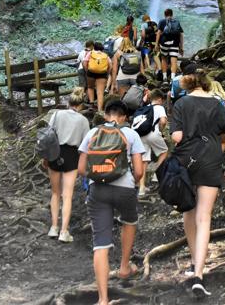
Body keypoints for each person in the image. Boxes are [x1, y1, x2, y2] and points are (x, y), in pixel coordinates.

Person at [171, 68, 225, 299]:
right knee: (205, 217)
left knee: (188, 213)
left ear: (188, 85)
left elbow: (176, 137)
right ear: (207, 84)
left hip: (186, 163)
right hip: (211, 162)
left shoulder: (181, 104)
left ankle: (193, 262)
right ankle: (199, 275)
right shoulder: (217, 105)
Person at [78, 99, 146, 305]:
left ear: (106, 114)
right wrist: (130, 182)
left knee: (100, 244)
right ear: (124, 117)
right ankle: (125, 267)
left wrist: (97, 176)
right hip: (124, 189)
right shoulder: (131, 134)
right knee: (129, 221)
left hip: (98, 189)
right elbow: (140, 171)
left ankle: (103, 299)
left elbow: (81, 169)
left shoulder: (92, 133)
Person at [46, 87, 90, 243]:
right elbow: (86, 144)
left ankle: (53, 227)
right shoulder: (83, 121)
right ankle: (64, 232)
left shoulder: (57, 114)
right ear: (81, 105)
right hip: (72, 156)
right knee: (68, 196)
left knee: (55, 193)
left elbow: (49, 134)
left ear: (68, 102)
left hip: (54, 153)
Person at [136, 88, 168, 197]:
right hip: (153, 133)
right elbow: (163, 121)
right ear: (159, 99)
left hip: (141, 135)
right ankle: (156, 175)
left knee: (144, 160)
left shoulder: (145, 108)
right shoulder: (159, 107)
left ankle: (141, 189)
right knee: (164, 151)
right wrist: (161, 130)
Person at [156, 8, 184, 83]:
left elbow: (158, 33)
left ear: (165, 14)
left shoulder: (162, 21)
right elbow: (181, 34)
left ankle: (164, 78)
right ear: (172, 14)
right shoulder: (176, 22)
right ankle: (173, 79)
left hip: (164, 43)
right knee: (174, 61)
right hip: (175, 43)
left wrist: (156, 44)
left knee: (164, 59)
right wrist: (181, 47)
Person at [84, 41, 111, 112]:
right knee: (100, 92)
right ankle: (99, 110)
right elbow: (110, 65)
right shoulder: (105, 55)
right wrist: (107, 73)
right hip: (102, 74)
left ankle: (92, 104)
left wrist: (87, 71)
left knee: (90, 87)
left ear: (94, 47)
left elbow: (85, 62)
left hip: (91, 72)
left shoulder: (90, 53)